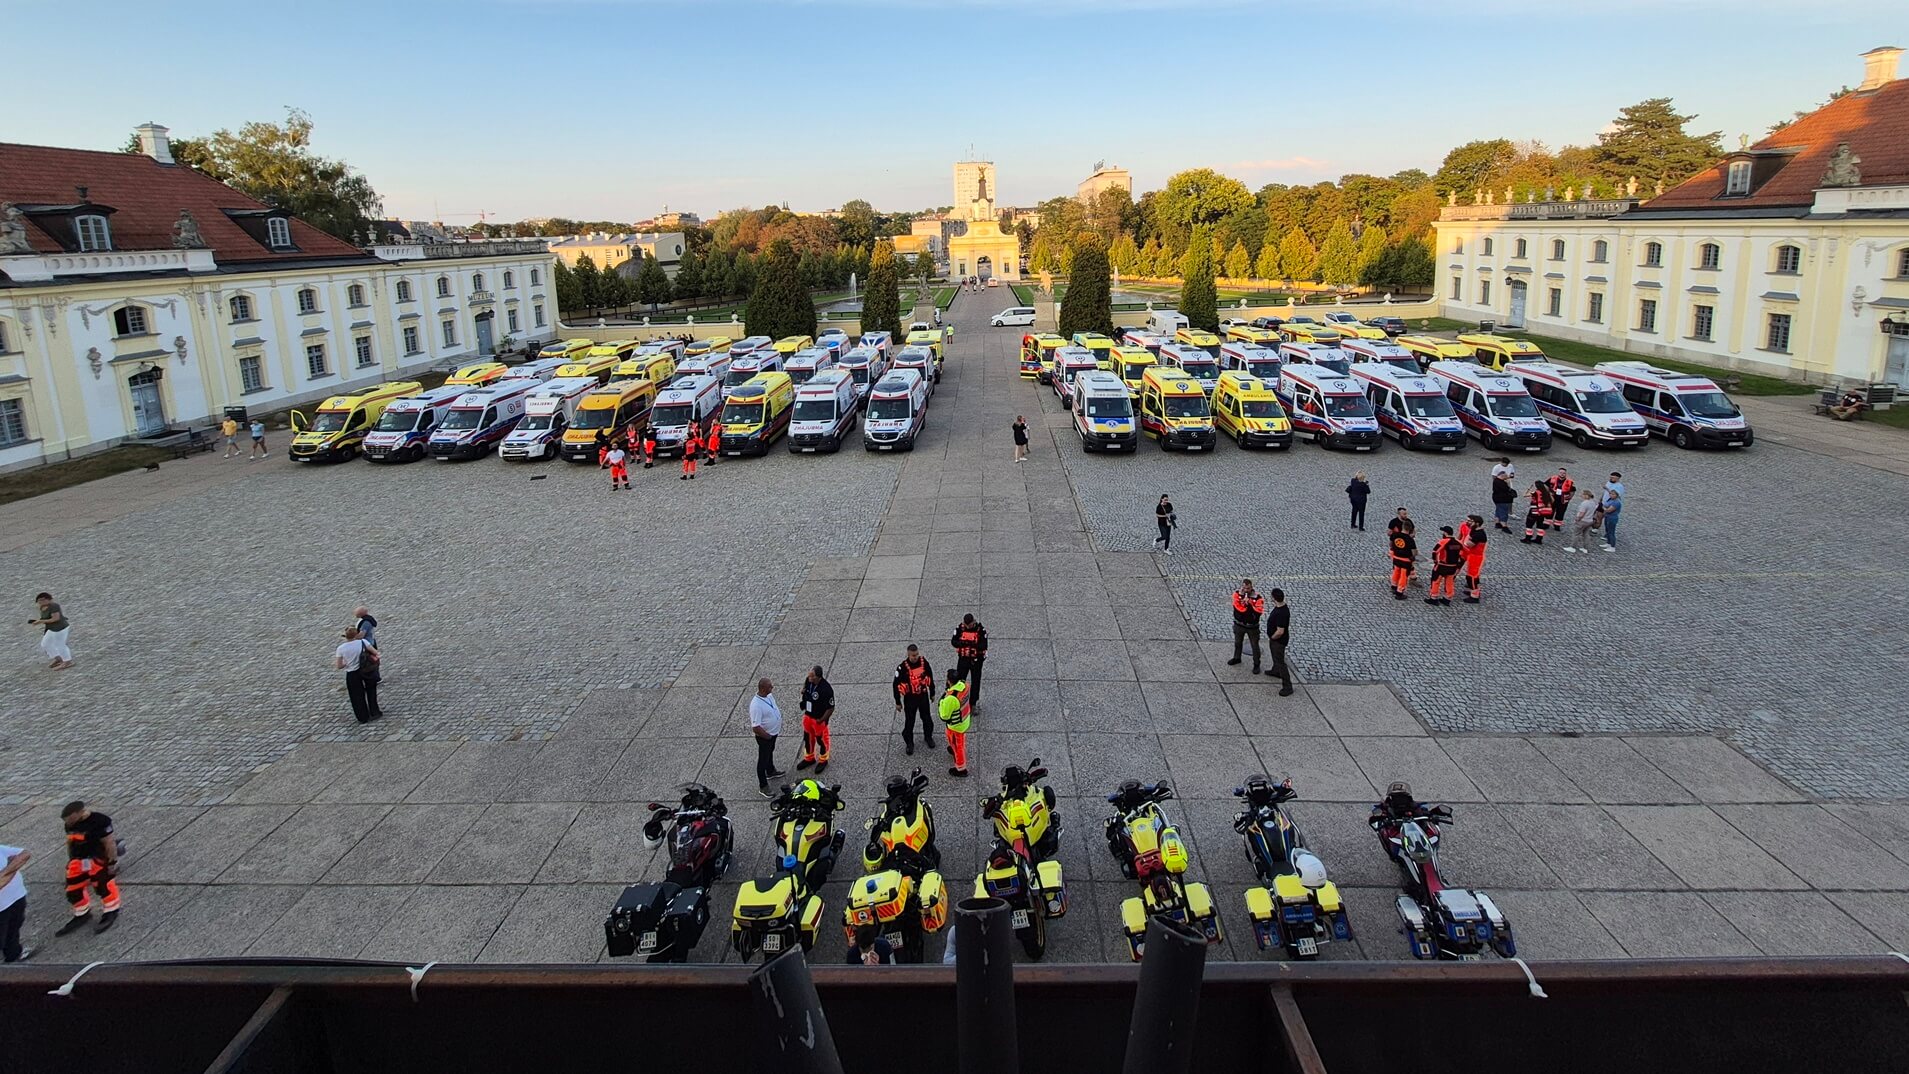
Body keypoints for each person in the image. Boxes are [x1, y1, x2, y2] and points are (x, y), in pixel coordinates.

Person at [56, 801, 118, 937]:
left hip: (97, 858)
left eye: (70, 818)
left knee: (103, 886)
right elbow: (70, 842)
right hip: (78, 860)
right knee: (73, 888)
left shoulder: (100, 821)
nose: (68, 822)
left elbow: (109, 842)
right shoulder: (70, 824)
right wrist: (71, 860)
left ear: (80, 813)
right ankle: (82, 912)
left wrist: (112, 863)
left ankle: (111, 910)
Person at [892, 645, 938, 755]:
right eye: (913, 655)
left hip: (922, 696)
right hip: (910, 699)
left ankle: (928, 737)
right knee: (910, 722)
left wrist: (932, 693)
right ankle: (909, 743)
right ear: (908, 654)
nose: (915, 657)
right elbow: (895, 685)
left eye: (917, 654)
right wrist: (898, 702)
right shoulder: (902, 667)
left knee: (927, 719)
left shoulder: (924, 662)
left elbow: (930, 677)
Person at [335, 625, 382, 723]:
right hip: (366, 669)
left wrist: (346, 663)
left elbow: (339, 666)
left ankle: (362, 717)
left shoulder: (341, 648)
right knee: (371, 690)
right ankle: (374, 711)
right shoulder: (363, 642)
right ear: (356, 634)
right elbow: (375, 652)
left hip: (352, 673)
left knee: (356, 695)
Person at [749, 677, 785, 797]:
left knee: (770, 752)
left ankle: (770, 771)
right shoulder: (756, 706)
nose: (772, 687)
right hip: (765, 737)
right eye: (770, 686)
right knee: (763, 759)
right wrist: (767, 736)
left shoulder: (768, 696)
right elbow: (756, 727)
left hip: (773, 733)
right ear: (763, 689)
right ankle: (763, 786)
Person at [797, 665, 835, 774]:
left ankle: (823, 759)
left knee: (821, 740)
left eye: (812, 676)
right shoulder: (809, 681)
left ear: (818, 677)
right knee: (808, 738)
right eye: (809, 675)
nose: (809, 678)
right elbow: (806, 686)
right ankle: (809, 758)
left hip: (819, 719)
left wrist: (822, 719)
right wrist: (804, 690)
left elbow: (830, 708)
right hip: (808, 716)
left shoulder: (826, 689)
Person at [950, 614, 989, 711]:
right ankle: (957, 700)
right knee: (959, 680)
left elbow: (984, 645)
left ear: (973, 622)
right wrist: (962, 643)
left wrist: (973, 645)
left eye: (970, 625)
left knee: (975, 681)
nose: (968, 627)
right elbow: (953, 641)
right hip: (963, 659)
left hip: (976, 660)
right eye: (966, 625)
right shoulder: (960, 628)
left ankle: (973, 703)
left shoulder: (981, 630)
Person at [938, 668, 972, 778]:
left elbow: (944, 715)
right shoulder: (965, 685)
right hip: (964, 720)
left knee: (959, 746)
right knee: (953, 741)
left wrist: (942, 702)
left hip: (956, 726)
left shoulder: (951, 698)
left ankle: (961, 768)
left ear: (949, 681)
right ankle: (952, 749)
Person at [1227, 579, 1264, 672]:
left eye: (1247, 588)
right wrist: (1244, 603)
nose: (1245, 590)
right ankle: (1237, 657)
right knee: (1238, 643)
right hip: (1239, 624)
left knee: (1255, 646)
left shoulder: (1258, 598)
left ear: (1251, 588)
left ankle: (1256, 664)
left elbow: (1258, 612)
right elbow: (1238, 608)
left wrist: (1250, 604)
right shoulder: (1236, 595)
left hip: (1252, 626)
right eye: (1244, 587)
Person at [0, 842, 29, 962]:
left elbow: (24, 854)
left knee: (14, 928)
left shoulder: (1, 849)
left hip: (17, 897)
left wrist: (4, 872)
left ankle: (14, 955)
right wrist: (12, 866)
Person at [29, 592, 73, 671]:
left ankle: (67, 661)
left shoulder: (54, 606)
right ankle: (58, 658)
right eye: (39, 600)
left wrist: (40, 622)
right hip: (51, 628)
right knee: (45, 644)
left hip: (60, 628)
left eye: (43, 600)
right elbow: (45, 617)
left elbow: (55, 618)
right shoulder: (42, 607)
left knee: (60, 645)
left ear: (49, 599)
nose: (41, 602)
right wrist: (38, 621)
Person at [1264, 588, 1292, 695]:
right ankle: (1275, 670)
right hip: (1277, 640)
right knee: (1276, 657)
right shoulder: (1281, 608)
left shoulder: (1281, 613)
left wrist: (1273, 637)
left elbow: (1280, 631)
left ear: (1273, 598)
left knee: (1280, 662)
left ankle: (1287, 686)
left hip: (1278, 641)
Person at [1427, 526, 1463, 606]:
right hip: (1453, 566)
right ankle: (1447, 598)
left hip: (1442, 565)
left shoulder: (1443, 541)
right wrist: (1459, 562)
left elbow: (1435, 551)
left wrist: (1436, 561)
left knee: (1435, 581)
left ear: (1445, 533)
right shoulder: (1458, 542)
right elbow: (1466, 550)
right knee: (1449, 582)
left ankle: (1434, 598)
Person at [1459, 514, 1488, 603]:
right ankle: (1473, 591)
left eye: (1470, 521)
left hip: (1477, 557)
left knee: (1472, 577)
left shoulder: (1479, 534)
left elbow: (1468, 544)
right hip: (1472, 555)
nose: (1467, 522)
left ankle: (1474, 596)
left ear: (1477, 523)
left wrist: (1463, 543)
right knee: (1470, 575)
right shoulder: (1474, 530)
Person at [1387, 516, 1417, 600]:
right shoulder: (1410, 540)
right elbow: (1414, 552)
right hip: (1405, 561)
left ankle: (1393, 586)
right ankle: (1399, 592)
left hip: (1396, 558)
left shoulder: (1395, 535)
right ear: (1410, 529)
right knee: (1403, 576)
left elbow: (1391, 544)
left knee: (1396, 572)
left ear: (1403, 527)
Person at [1544, 468, 1575, 533]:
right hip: (1552, 498)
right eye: (1561, 473)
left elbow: (1572, 491)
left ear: (1566, 474)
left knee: (1560, 513)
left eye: (1564, 473)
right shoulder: (1553, 478)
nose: (1562, 474)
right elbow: (1545, 485)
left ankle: (1557, 525)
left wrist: (1570, 498)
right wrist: (1547, 493)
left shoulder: (1570, 481)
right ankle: (1547, 524)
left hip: (1563, 500)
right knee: (1550, 511)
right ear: (1558, 473)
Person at [1600, 473, 1625, 551]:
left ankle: (1612, 546)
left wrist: (1604, 508)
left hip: (1612, 516)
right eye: (1611, 477)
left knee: (1611, 532)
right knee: (1608, 529)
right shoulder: (1609, 483)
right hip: (1608, 514)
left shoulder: (1619, 489)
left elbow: (1609, 509)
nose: (1611, 479)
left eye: (1613, 478)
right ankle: (1608, 543)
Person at [1490, 468, 1517, 533]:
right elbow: (1507, 490)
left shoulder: (1496, 481)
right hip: (1503, 499)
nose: (1507, 477)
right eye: (1506, 476)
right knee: (1503, 512)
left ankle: (1497, 523)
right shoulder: (1501, 483)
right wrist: (1507, 483)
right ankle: (1504, 526)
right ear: (1502, 476)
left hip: (1497, 498)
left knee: (1498, 510)